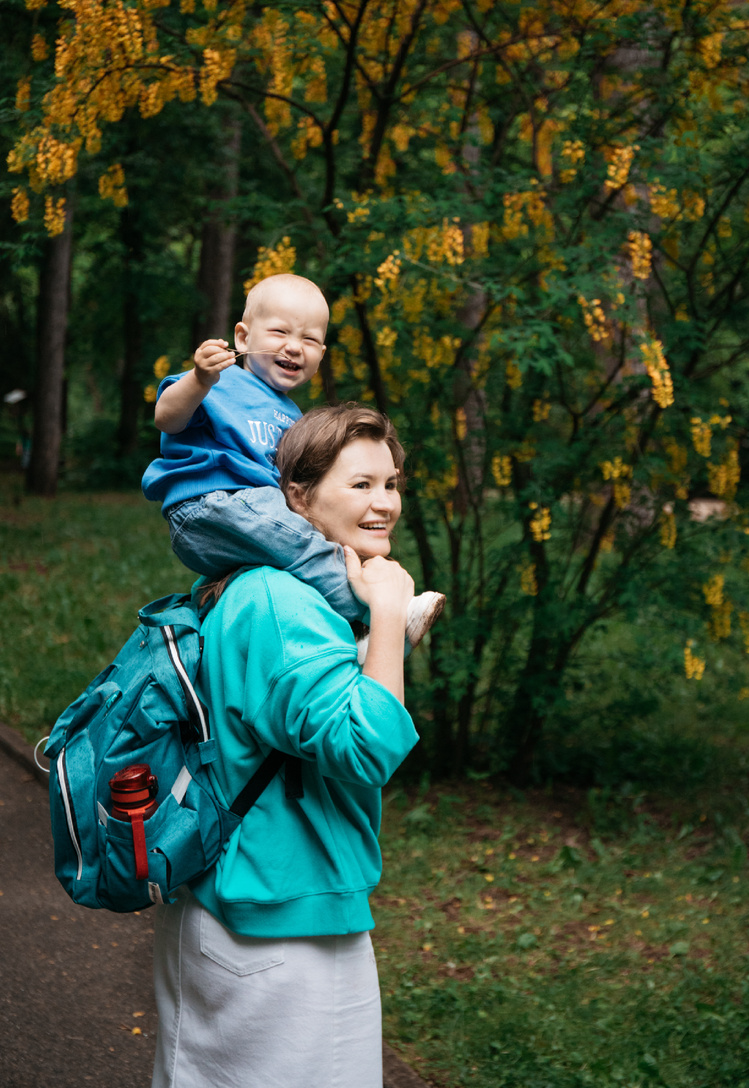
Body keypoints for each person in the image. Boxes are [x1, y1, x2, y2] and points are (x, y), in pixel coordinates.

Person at [151, 404, 420, 1088]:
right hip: (285, 931)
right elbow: (364, 748)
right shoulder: (282, 603)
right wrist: (389, 611)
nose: (383, 503)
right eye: (360, 484)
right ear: (296, 496)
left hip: (235, 906)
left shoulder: (248, 587)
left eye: (390, 484)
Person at [142, 272, 444, 647]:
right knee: (306, 546)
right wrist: (200, 379)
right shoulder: (221, 383)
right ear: (242, 338)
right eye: (280, 333)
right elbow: (166, 417)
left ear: (321, 354)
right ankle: (383, 614)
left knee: (308, 547)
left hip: (249, 513)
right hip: (214, 501)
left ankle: (356, 636)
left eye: (310, 339)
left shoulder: (293, 415)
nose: (294, 347)